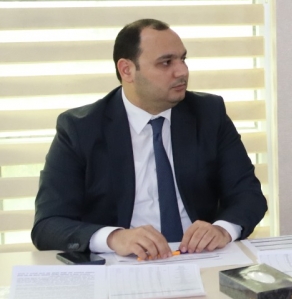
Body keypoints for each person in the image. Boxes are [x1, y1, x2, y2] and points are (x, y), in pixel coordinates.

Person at [32, 19, 267, 259]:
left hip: (200, 258)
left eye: (183, 59)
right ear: (127, 70)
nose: (182, 71)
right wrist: (114, 238)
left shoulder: (208, 114)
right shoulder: (80, 129)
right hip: (124, 265)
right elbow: (48, 224)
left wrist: (222, 230)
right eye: (166, 62)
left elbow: (248, 195)